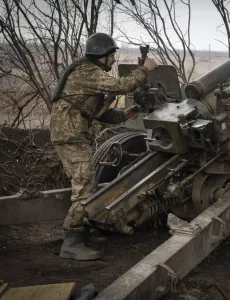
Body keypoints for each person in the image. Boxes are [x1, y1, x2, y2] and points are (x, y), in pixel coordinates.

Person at [50, 32, 158, 261]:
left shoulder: (88, 73)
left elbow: (96, 113)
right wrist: (145, 69)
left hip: (73, 134)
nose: (113, 60)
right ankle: (71, 241)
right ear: (104, 55)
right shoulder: (88, 72)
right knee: (85, 188)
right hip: (70, 136)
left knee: (86, 184)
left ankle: (83, 232)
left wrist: (122, 114)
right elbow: (121, 85)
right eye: (112, 56)